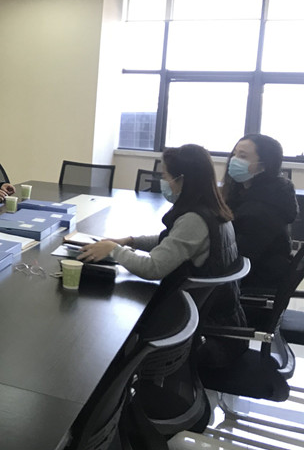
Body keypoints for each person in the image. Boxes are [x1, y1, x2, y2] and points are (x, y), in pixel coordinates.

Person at [78, 144, 247, 367]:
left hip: (189, 330)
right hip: (215, 317)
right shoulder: (213, 209)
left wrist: (114, 250)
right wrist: (130, 241)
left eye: (166, 176)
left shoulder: (194, 220)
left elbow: (153, 268)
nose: (163, 182)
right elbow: (172, 241)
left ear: (182, 180)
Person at [222, 134, 299, 293]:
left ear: (264, 166)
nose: (234, 160)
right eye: (234, 154)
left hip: (254, 280)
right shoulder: (245, 193)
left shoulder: (264, 208)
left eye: (243, 156)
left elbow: (237, 254)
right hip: (246, 274)